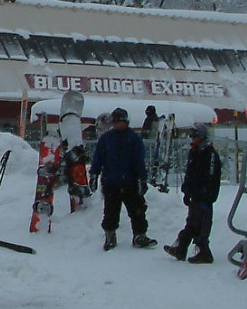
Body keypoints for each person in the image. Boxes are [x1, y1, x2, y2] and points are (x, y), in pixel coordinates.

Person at [89, 107, 156, 251]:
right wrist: (93, 175)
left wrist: (142, 180)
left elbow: (139, 160)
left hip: (130, 182)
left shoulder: (134, 138)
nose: (118, 125)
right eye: (115, 122)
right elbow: (98, 158)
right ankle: (110, 236)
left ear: (126, 122)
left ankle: (139, 235)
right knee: (110, 212)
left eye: (121, 122)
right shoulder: (106, 139)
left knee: (137, 210)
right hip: (111, 182)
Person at [165, 123, 223, 264]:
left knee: (202, 222)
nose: (192, 138)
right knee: (192, 221)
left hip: (205, 196)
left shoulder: (210, 154)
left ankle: (203, 252)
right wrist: (187, 191)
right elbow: (190, 173)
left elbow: (211, 176)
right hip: (195, 194)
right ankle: (181, 247)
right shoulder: (194, 152)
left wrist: (206, 193)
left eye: (195, 135)